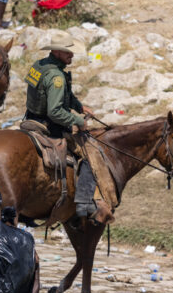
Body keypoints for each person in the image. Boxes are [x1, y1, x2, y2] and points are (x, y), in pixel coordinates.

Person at [23, 34, 113, 225]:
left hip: (31, 118)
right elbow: (55, 111)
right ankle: (83, 204)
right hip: (50, 125)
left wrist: (79, 107)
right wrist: (77, 120)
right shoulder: (57, 77)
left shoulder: (40, 65)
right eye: (67, 51)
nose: (71, 54)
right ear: (56, 51)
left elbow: (63, 95)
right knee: (89, 151)